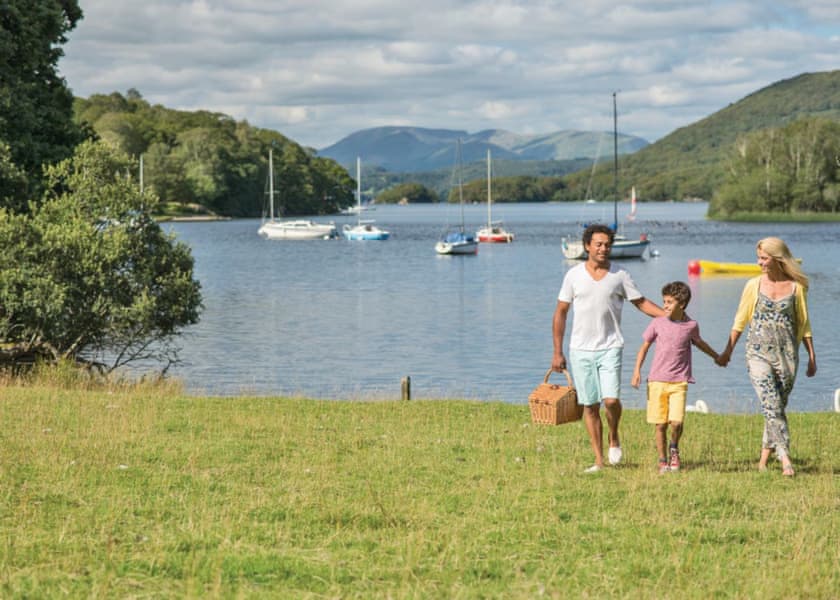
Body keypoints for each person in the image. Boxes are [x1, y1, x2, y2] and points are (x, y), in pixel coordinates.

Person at [552, 224, 665, 473]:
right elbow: (561, 313)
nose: (603, 249)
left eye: (607, 244)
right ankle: (599, 460)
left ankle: (614, 436)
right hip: (580, 350)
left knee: (611, 401)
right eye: (598, 244)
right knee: (590, 405)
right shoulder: (573, 276)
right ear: (587, 246)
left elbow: (641, 302)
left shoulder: (620, 275)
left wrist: (668, 316)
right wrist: (557, 351)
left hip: (610, 346)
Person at [717, 237, 817, 477]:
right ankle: (785, 458)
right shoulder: (753, 285)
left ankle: (763, 459)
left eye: (764, 258)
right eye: (759, 257)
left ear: (778, 259)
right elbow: (740, 321)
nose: (759, 262)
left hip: (788, 356)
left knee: (775, 407)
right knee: (771, 403)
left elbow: (803, 324)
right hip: (757, 354)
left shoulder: (797, 287)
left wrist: (812, 356)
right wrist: (727, 351)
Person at [631, 281, 719, 474]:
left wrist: (716, 357)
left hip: (679, 381)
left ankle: (674, 449)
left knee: (676, 422)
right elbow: (644, 347)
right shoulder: (657, 323)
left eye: (670, 302)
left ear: (682, 304)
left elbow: (700, 344)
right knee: (660, 424)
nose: (665, 306)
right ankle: (662, 461)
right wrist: (637, 370)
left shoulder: (691, 326)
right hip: (656, 381)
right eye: (664, 301)